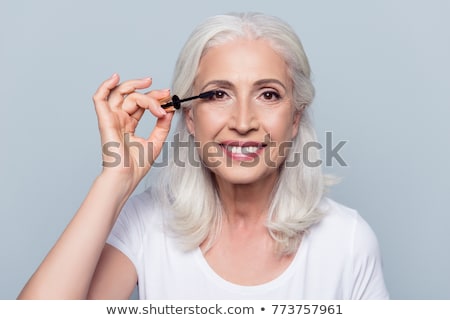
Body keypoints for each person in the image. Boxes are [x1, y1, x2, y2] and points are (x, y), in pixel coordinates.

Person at [18, 12, 389, 299]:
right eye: (217, 95)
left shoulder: (348, 241)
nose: (243, 122)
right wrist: (114, 182)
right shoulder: (146, 225)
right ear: (189, 117)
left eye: (269, 95)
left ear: (295, 118)